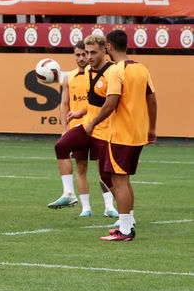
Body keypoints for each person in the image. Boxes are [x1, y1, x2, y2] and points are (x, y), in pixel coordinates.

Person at [87, 29, 157, 242]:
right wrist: (152, 128)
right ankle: (128, 223)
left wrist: (91, 124)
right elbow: (152, 99)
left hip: (120, 134)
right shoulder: (141, 68)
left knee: (118, 181)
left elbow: (110, 104)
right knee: (123, 180)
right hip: (137, 133)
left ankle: (125, 230)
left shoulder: (116, 70)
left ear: (108, 46)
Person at [47, 42, 117, 217]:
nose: (83, 58)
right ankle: (82, 204)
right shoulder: (70, 77)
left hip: (101, 126)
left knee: (104, 169)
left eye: (85, 54)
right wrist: (66, 127)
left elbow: (101, 102)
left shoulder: (104, 72)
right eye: (78, 54)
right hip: (82, 125)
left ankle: (110, 207)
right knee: (79, 165)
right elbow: (64, 104)